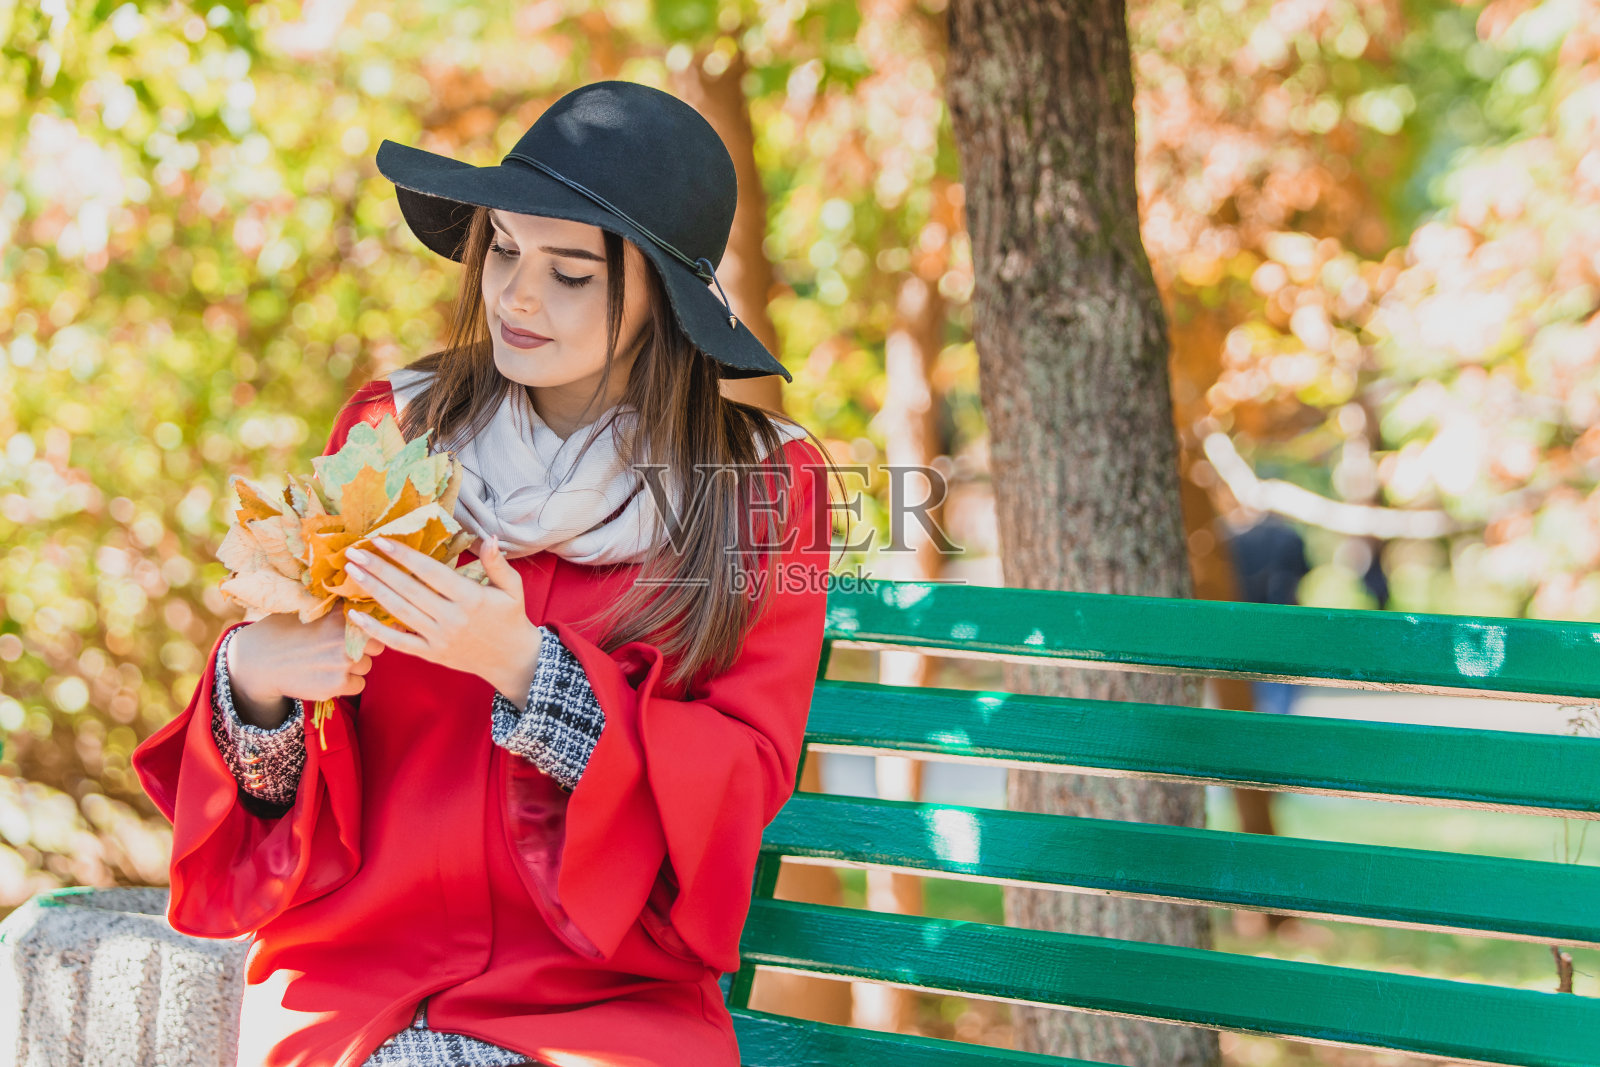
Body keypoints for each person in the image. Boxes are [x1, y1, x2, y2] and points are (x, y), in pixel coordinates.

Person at [132, 80, 838, 1067]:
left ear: (663, 300)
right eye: (504, 248)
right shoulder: (397, 426)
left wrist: (526, 669)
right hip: (361, 972)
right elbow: (308, 748)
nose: (514, 295)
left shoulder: (761, 484)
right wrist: (255, 682)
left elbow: (743, 770)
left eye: (570, 271)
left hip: (600, 994)